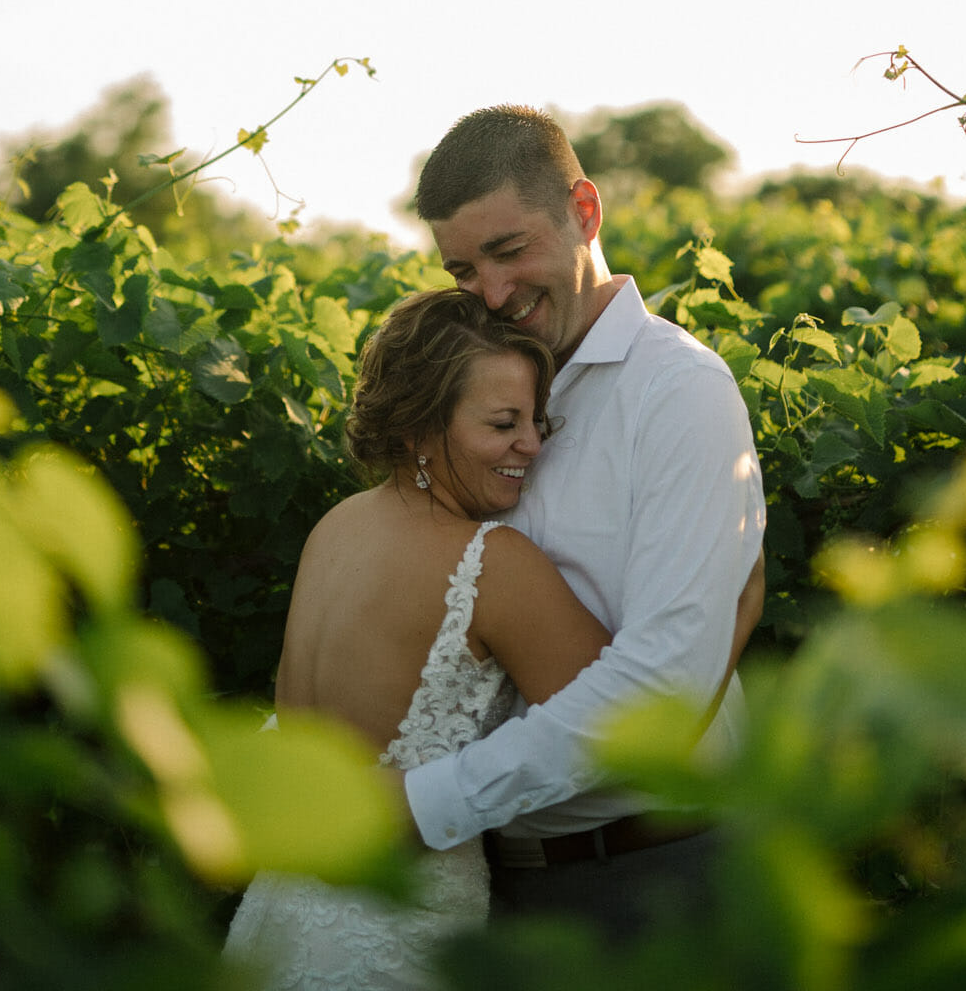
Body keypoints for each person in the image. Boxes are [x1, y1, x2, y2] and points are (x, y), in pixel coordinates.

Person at [402, 104, 767, 944]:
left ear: (585, 211)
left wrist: (429, 804)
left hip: (657, 880)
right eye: (462, 270)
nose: (490, 294)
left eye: (509, 251)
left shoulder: (678, 393)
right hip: (493, 889)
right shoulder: (469, 395)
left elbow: (665, 686)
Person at [222, 286, 615, 990]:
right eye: (503, 423)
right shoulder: (491, 562)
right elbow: (626, 715)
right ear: (418, 431)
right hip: (395, 935)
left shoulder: (334, 528)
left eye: (534, 418)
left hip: (279, 919)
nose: (532, 443)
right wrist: (733, 601)